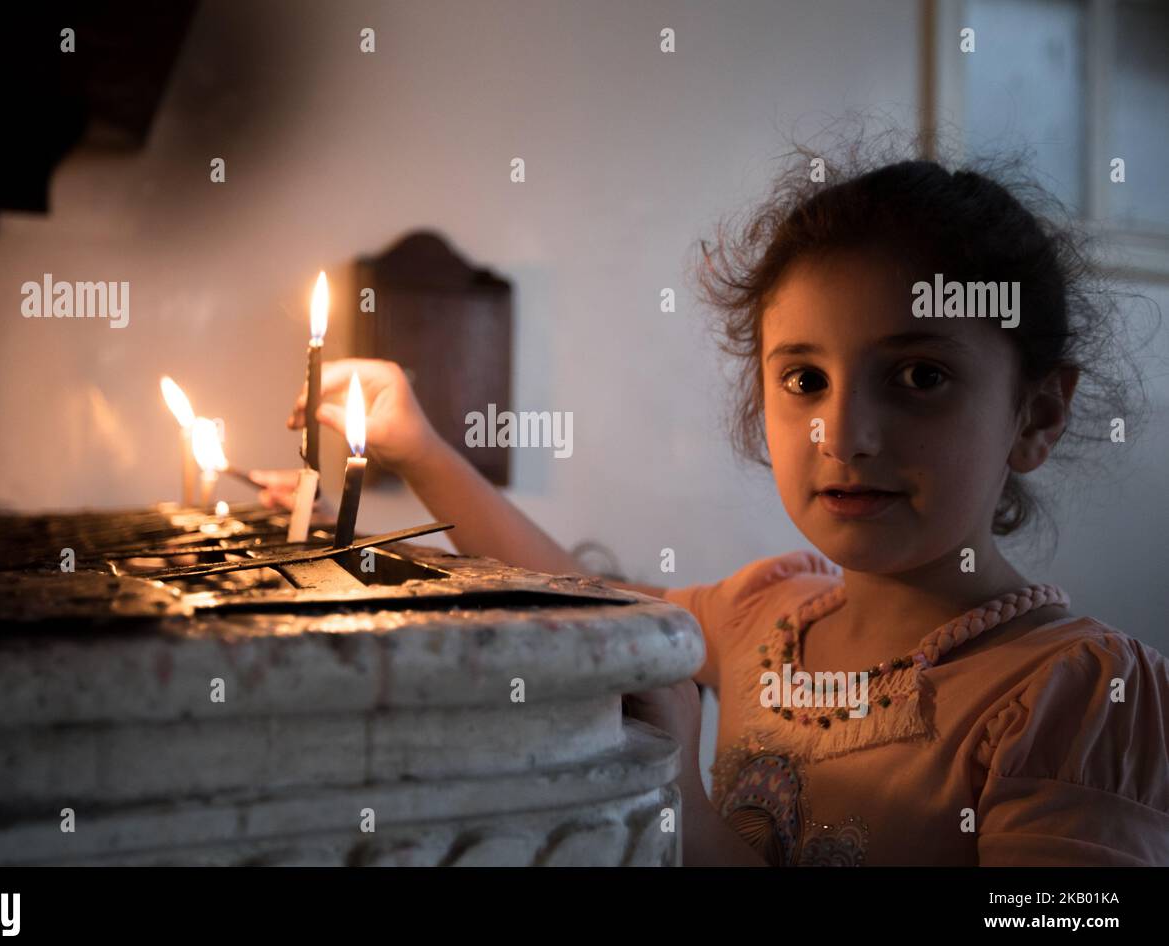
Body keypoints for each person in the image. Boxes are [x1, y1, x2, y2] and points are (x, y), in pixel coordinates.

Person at [253, 153, 1169, 866]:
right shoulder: (760, 616)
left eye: (920, 377)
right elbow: (575, 600)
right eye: (804, 379)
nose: (841, 435)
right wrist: (417, 445)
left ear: (1037, 411)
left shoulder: (1076, 698)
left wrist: (680, 806)